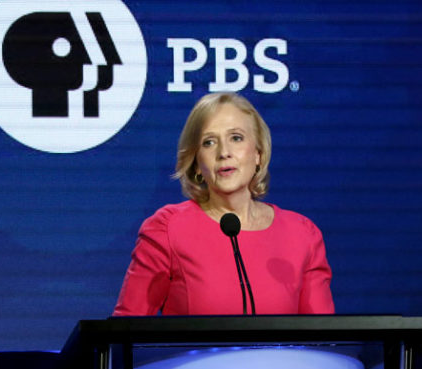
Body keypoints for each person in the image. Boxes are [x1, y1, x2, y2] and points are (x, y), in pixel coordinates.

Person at [113, 92, 334, 316]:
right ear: (197, 163)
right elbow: (126, 328)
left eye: (236, 138)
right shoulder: (168, 229)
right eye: (209, 143)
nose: (224, 153)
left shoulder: (302, 235)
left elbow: (323, 333)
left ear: (258, 153)